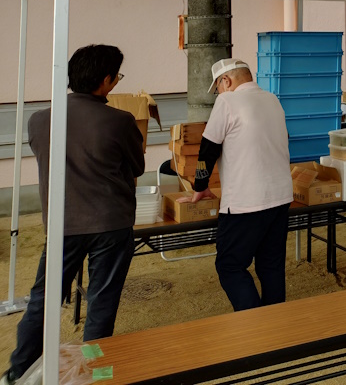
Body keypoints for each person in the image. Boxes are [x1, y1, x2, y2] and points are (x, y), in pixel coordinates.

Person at [4, 45, 145, 385]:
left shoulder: (40, 120)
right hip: (111, 222)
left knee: (43, 299)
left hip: (62, 223)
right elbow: (137, 166)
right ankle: (94, 372)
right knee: (101, 300)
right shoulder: (120, 120)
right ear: (107, 81)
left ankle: (18, 370)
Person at [180, 58, 293, 311]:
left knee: (229, 265)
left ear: (226, 81)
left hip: (245, 202)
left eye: (217, 87)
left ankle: (254, 325)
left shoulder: (227, 101)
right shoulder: (272, 100)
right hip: (280, 197)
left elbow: (207, 150)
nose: (218, 92)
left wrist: (200, 186)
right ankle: (277, 326)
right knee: (271, 265)